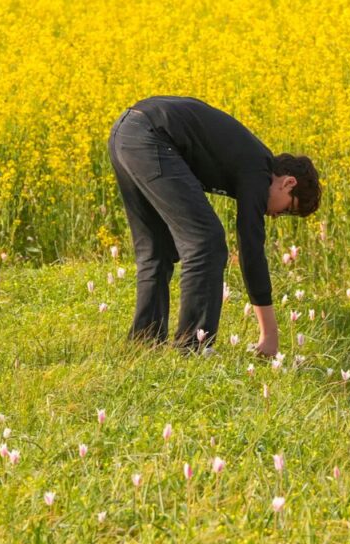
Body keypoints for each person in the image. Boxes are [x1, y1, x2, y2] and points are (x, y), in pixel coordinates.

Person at [107, 96, 321, 356]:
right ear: (288, 183)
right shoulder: (259, 170)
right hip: (151, 136)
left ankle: (144, 344)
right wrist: (270, 334)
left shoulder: (251, 162)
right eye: (287, 208)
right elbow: (251, 250)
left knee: (157, 250)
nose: (276, 215)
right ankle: (193, 349)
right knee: (206, 242)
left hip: (126, 132)